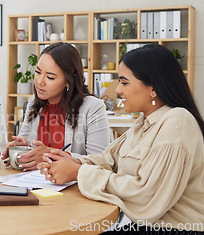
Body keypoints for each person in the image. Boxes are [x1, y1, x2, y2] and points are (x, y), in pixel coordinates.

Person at [37, 44, 204, 232]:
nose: (117, 90)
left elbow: (147, 196)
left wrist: (78, 172)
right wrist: (72, 161)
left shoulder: (177, 122)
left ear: (154, 88)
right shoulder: (144, 123)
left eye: (124, 82)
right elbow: (108, 160)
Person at [2, 42, 110, 171]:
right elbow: (29, 144)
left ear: (69, 80)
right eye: (38, 72)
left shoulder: (92, 107)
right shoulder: (34, 101)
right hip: (36, 181)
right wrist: (23, 149)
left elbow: (100, 162)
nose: (40, 82)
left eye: (50, 77)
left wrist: (48, 155)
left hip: (72, 186)